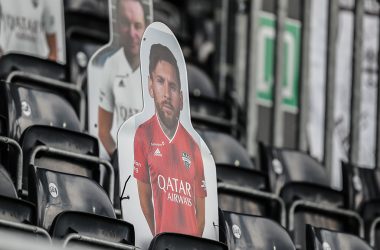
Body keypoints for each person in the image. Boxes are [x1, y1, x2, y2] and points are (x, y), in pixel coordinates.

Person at [133, 44, 206, 237]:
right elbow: (144, 199)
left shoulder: (194, 147)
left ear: (181, 99)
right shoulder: (142, 134)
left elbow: (201, 217)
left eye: (172, 86)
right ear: (150, 86)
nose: (166, 94)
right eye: (160, 81)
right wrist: (159, 240)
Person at [98, 0, 146, 157]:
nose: (132, 33)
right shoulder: (110, 65)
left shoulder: (158, 71)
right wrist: (119, 162)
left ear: (145, 28)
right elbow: (103, 131)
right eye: (126, 24)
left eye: (138, 26)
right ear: (117, 25)